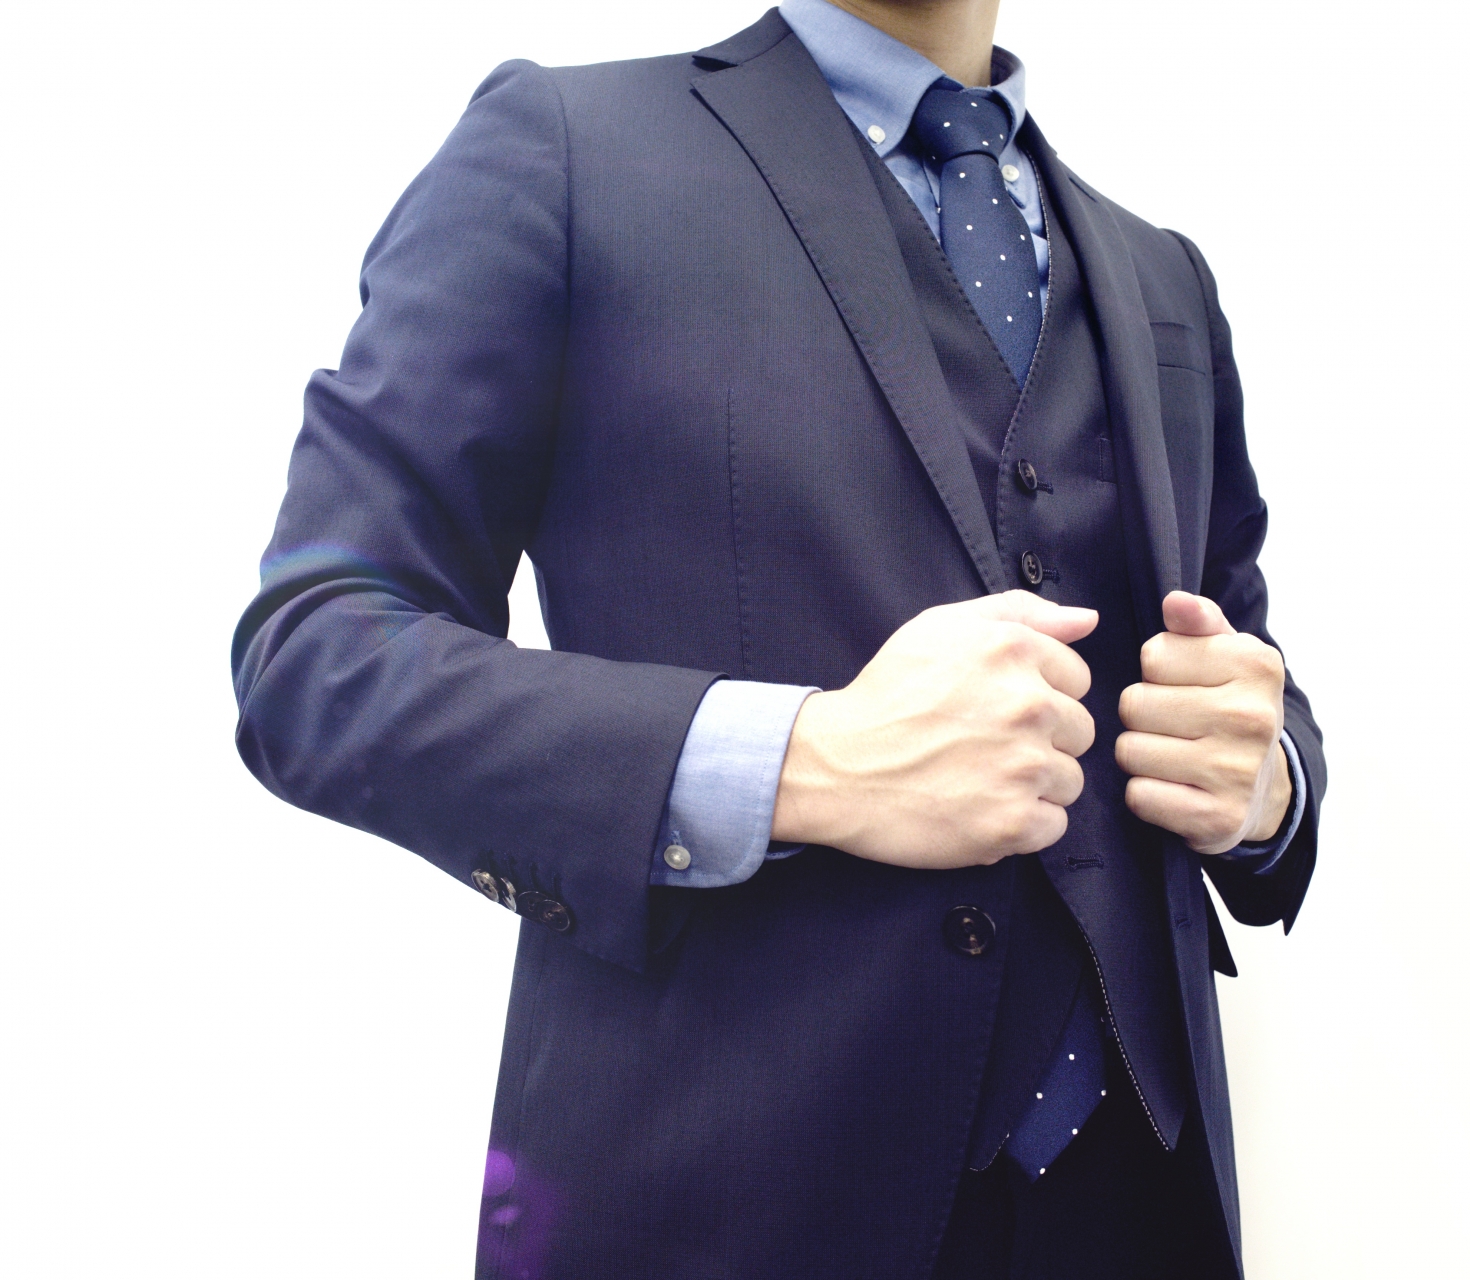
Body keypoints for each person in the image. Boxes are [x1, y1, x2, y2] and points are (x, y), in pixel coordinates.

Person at [231, 0, 1326, 1275]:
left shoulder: (1161, 272)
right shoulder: (563, 148)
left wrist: (1268, 782)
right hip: (727, 1204)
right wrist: (805, 757)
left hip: (1139, 1209)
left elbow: (1249, 665)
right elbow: (317, 653)